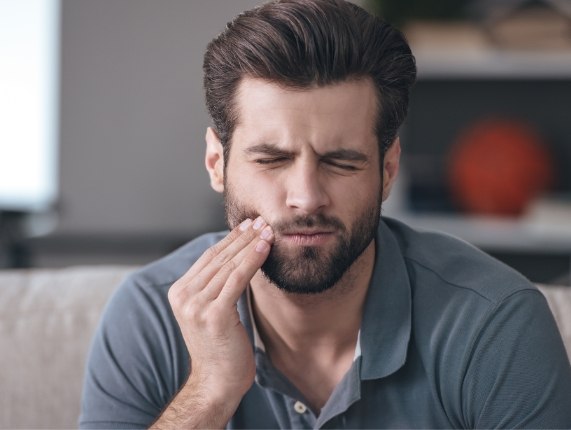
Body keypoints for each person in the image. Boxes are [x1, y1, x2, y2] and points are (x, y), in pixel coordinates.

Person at [79, 0, 571, 428]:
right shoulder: (150, 315)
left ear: (388, 169)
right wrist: (209, 393)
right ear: (217, 163)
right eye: (271, 159)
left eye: (341, 161)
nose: (306, 197)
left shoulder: (493, 320)